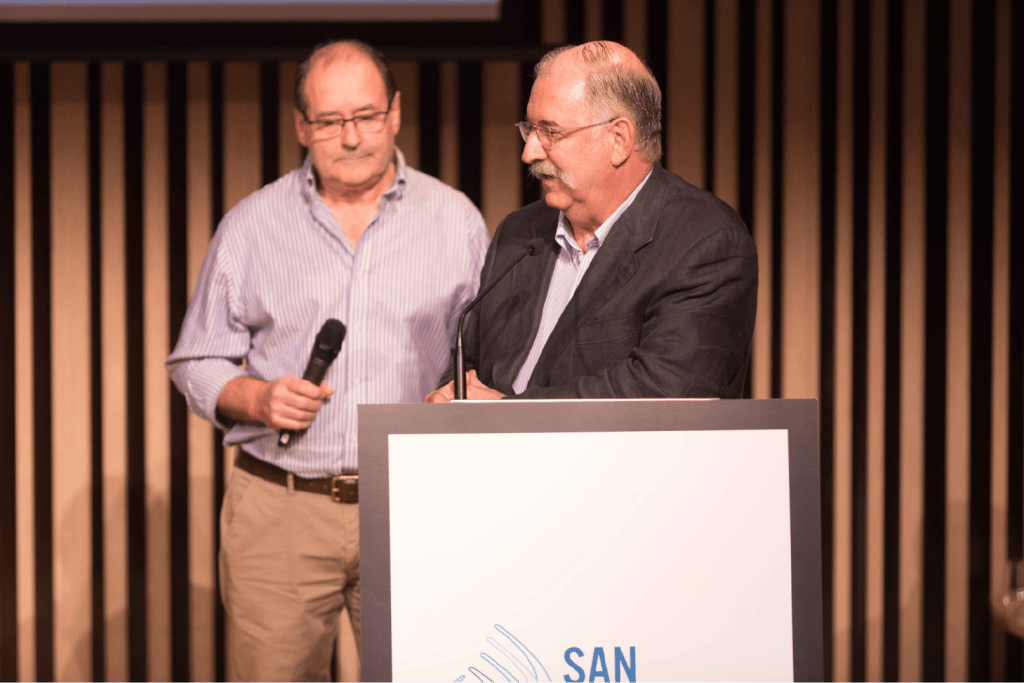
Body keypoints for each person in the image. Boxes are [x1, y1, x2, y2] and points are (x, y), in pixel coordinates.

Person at [167, 40, 488, 682]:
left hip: (414, 507)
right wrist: (255, 398)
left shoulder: (456, 222)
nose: (350, 138)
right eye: (330, 121)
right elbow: (196, 358)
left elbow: (489, 359)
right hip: (281, 508)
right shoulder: (252, 225)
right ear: (301, 127)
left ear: (395, 114)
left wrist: (470, 388)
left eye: (366, 116)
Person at [426, 41, 756, 403]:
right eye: (530, 129)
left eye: (551, 132)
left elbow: (666, 390)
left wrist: (506, 414)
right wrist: (449, 395)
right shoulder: (519, 233)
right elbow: (470, 360)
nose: (529, 152)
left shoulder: (703, 240)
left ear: (619, 139)